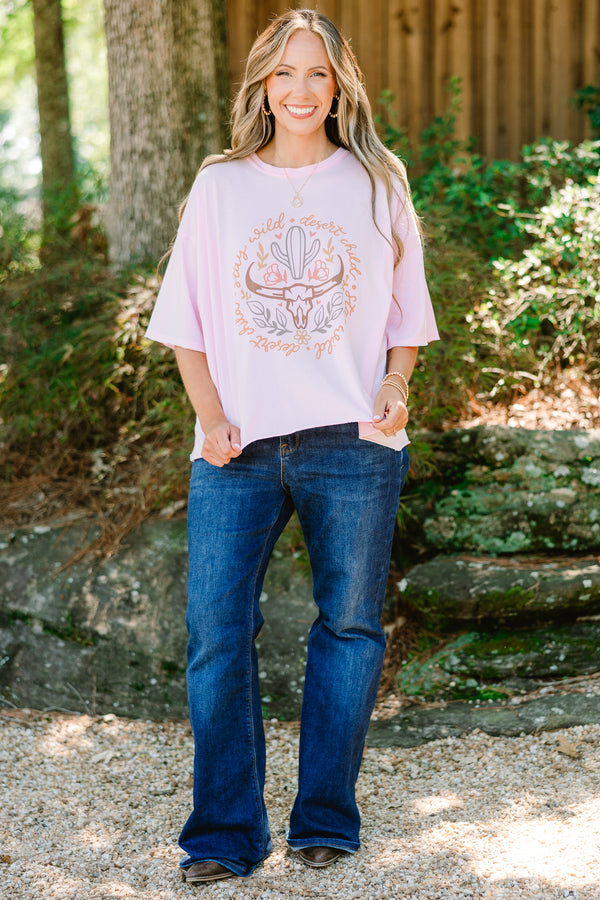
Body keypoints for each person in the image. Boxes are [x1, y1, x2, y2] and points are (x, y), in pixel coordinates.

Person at [146, 7, 438, 885]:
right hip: (235, 450)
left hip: (353, 441)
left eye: (317, 73)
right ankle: (225, 836)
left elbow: (407, 316)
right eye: (284, 74)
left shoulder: (379, 181)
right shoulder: (220, 186)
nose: (301, 90)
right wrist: (211, 416)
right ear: (261, 86)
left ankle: (325, 823)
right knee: (215, 635)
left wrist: (396, 388)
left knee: (348, 628)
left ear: (339, 83)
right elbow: (184, 319)